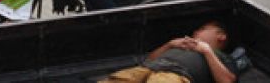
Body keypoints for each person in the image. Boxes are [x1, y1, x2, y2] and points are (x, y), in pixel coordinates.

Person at [100, 20, 237, 83]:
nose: (196, 31)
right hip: (149, 69)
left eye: (203, 28)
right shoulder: (179, 45)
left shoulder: (220, 56)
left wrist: (207, 51)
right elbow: (149, 60)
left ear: (221, 36)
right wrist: (170, 44)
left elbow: (227, 81)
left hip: (174, 75)